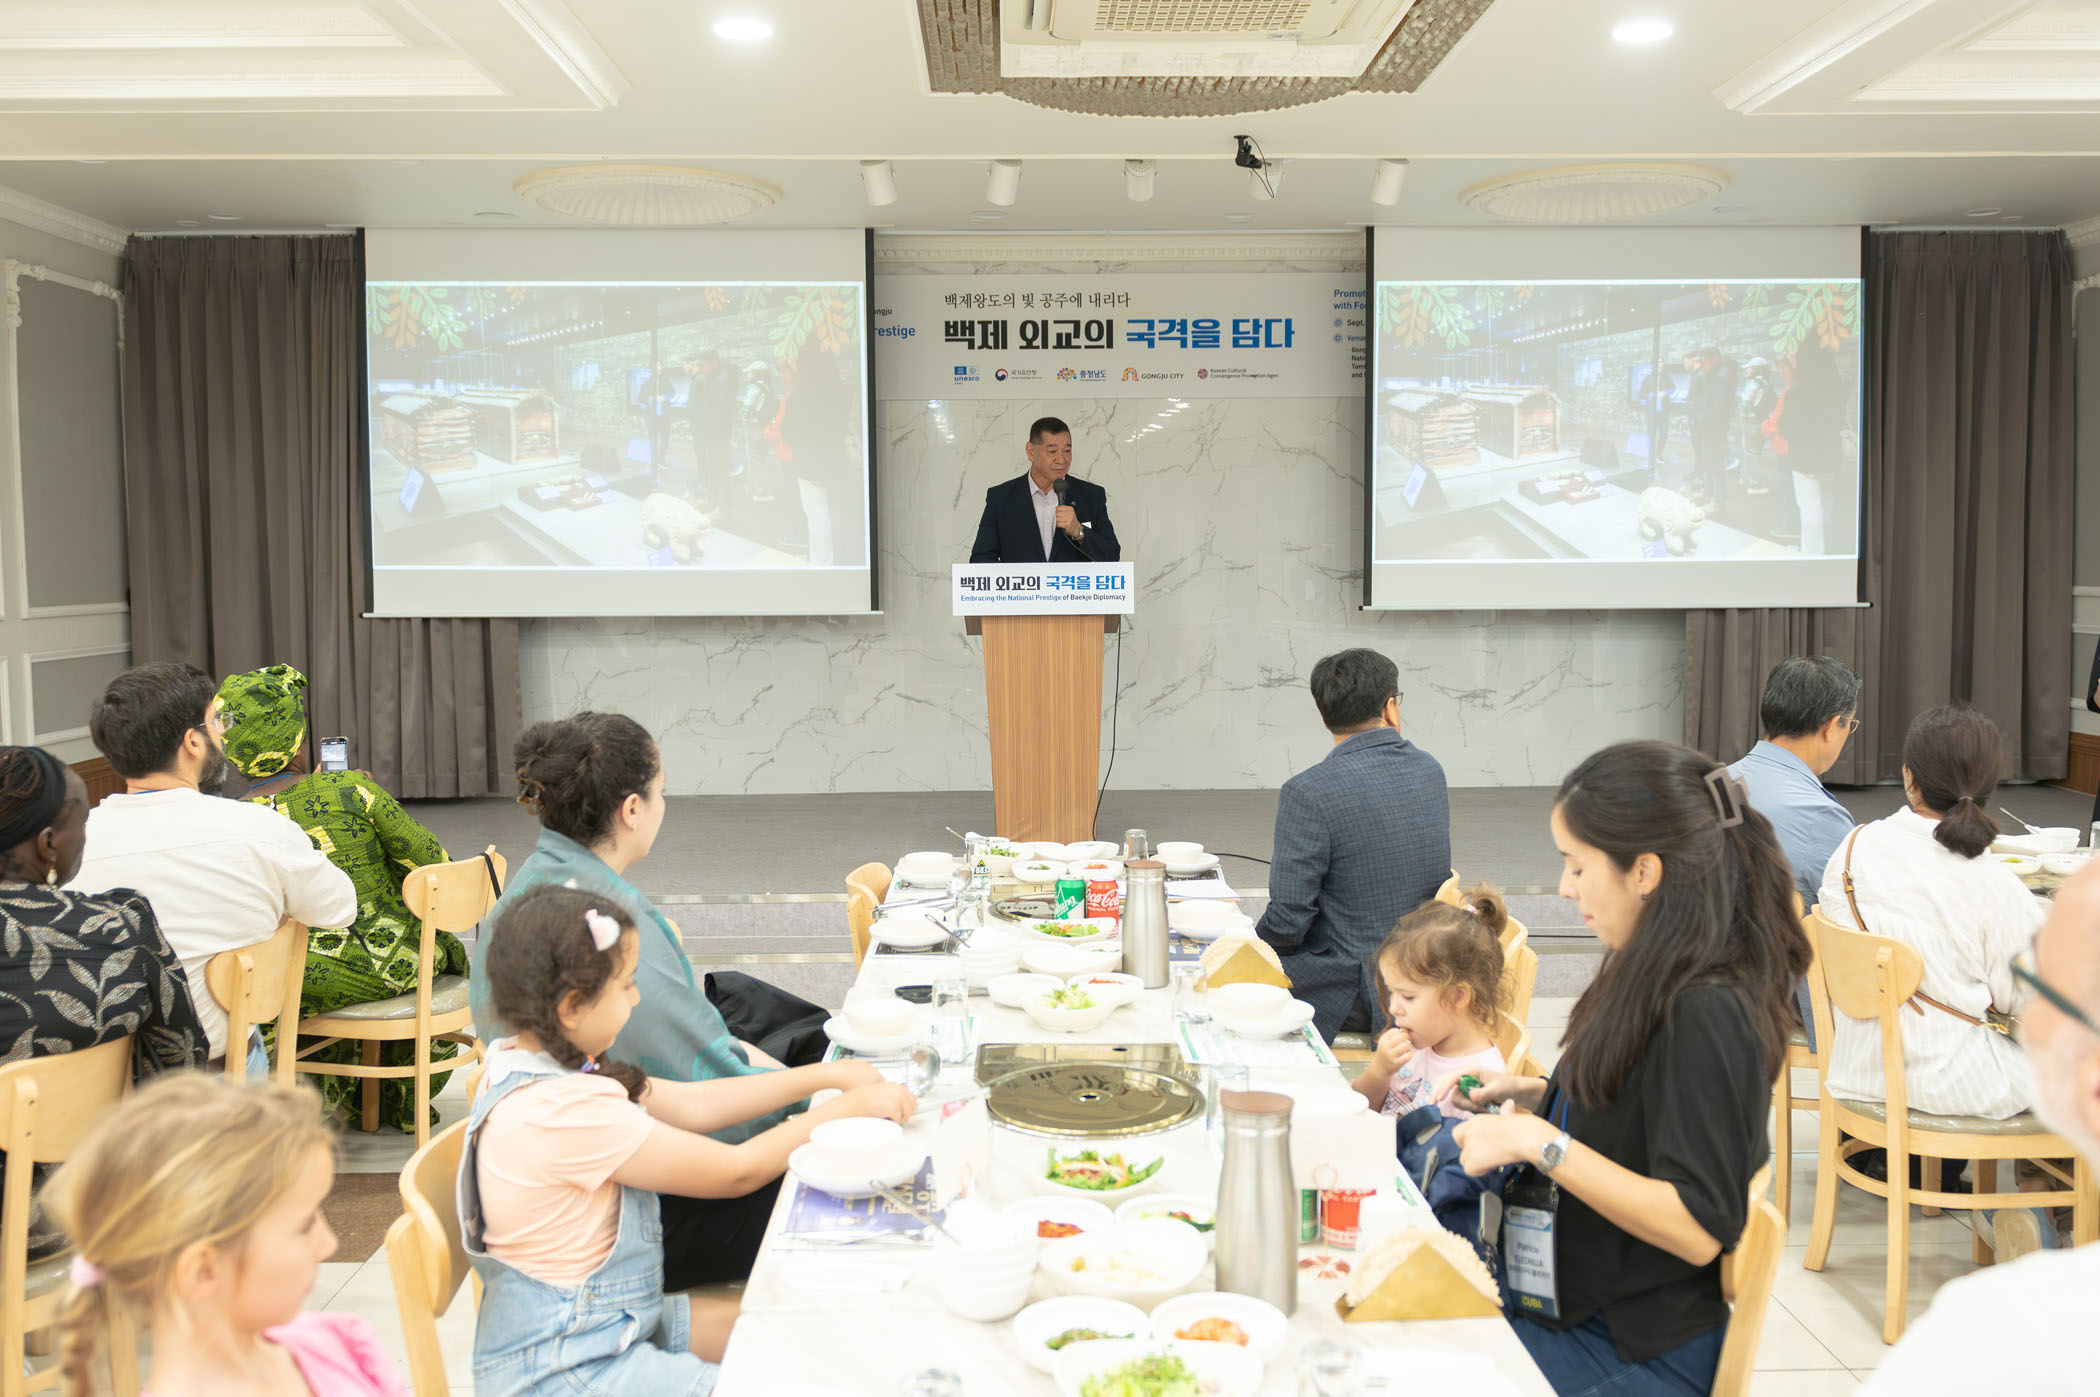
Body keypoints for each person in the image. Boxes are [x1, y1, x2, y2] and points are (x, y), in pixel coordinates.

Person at [1447, 740, 1808, 1396]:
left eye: (1577, 866)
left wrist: (1541, 1141)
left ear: (1644, 871)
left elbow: (1698, 1228)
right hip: (1582, 1307)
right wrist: (1536, 1094)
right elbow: (1642, 1106)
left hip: (1633, 1349)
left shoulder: (1707, 1007)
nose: (1565, 887)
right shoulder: (1654, 962)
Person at [467, 886, 915, 1397]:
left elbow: (697, 1104)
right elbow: (736, 1171)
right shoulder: (564, 1112)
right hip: (567, 1369)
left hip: (606, 1323)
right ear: (572, 1007)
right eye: (626, 985)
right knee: (803, 1367)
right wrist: (841, 1110)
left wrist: (822, 1077)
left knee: (801, 1329)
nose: (636, 999)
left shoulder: (532, 1059)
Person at [473, 711, 797, 1289]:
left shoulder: (530, 891)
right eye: (660, 792)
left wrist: (812, 1086)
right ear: (631, 809)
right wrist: (816, 1113)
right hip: (622, 1217)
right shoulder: (600, 926)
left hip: (574, 1179)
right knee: (828, 1188)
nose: (662, 805)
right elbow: (717, 1114)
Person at [1858, 859, 2100, 1393]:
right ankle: (2044, 1199)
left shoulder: (2002, 1327)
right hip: (1931, 1067)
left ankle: (2034, 1198)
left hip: (1878, 1058)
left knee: (2021, 1058)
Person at [67, 662, 356, 1074]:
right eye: (216, 721)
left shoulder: (73, 844)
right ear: (192, 742)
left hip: (97, 1082)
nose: (222, 731)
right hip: (219, 1074)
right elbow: (339, 908)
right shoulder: (259, 829)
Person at [43, 1073, 409, 1397]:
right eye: (304, 1225)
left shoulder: (342, 1343)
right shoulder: (337, 1347)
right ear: (203, 1270)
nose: (329, 1244)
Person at [215, 664, 466, 1131]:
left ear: (230, 750)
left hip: (295, 975)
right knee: (441, 946)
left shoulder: (231, 821)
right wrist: (356, 793)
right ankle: (399, 1098)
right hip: (397, 961)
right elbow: (435, 865)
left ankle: (309, 1105)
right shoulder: (350, 788)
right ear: (299, 742)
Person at [0, 744, 208, 1261]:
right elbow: (180, 1068)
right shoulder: (120, 926)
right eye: (82, 825)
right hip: (78, 1208)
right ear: (49, 844)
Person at [1814, 704, 2040, 1120]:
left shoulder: (1852, 847)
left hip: (1859, 1069)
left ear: (1909, 778)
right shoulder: (1995, 884)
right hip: (1953, 1083)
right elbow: (2030, 1000)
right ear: (1990, 784)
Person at [1256, 648, 1451, 1040]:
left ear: (1324, 715)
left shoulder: (1307, 791)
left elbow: (1288, 920)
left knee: (1214, 984)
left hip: (1363, 993)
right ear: (1390, 707)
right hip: (1428, 976)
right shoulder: (1430, 769)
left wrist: (1252, 951)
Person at [1351, 885, 1509, 1118]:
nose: (1394, 1008)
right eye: (1392, 993)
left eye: (1408, 996)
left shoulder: (1481, 1082)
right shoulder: (1419, 1042)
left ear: (1458, 996)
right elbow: (1357, 1108)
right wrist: (1380, 1071)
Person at [968, 415, 1122, 564]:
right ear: (1031, 451)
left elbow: (1112, 556)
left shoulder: (1091, 496)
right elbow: (981, 557)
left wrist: (1079, 531)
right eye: (1052, 452)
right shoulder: (1001, 498)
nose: (1062, 460)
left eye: (1067, 451)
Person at [1764, 347, 1852, 556]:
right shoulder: (1837, 385)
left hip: (1805, 458)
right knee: (1827, 500)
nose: (1792, 362)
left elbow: (1786, 429)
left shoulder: (1798, 389)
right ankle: (1826, 544)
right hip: (1831, 455)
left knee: (1810, 508)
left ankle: (1812, 554)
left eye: (1793, 358)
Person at [779, 352, 858, 567]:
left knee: (818, 517)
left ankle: (822, 564)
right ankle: (843, 557)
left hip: (809, 467)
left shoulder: (799, 396)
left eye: (795, 361)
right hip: (836, 463)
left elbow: (788, 434)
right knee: (837, 512)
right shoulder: (840, 391)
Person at [682, 350, 739, 509]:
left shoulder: (719, 382)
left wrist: (701, 424)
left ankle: (721, 508)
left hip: (716, 434)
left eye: (702, 364)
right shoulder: (716, 379)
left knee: (718, 470)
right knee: (715, 469)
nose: (700, 367)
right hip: (715, 432)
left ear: (712, 363)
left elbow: (718, 412)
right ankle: (713, 502)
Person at [1685, 347, 1737, 506]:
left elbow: (1718, 408)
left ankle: (1717, 502)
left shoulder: (1720, 379)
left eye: (1703, 360)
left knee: (1715, 465)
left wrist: (1699, 419)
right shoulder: (1714, 375)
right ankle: (1707, 493)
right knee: (1709, 462)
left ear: (1714, 359)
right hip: (1709, 428)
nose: (1701, 364)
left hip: (1714, 429)